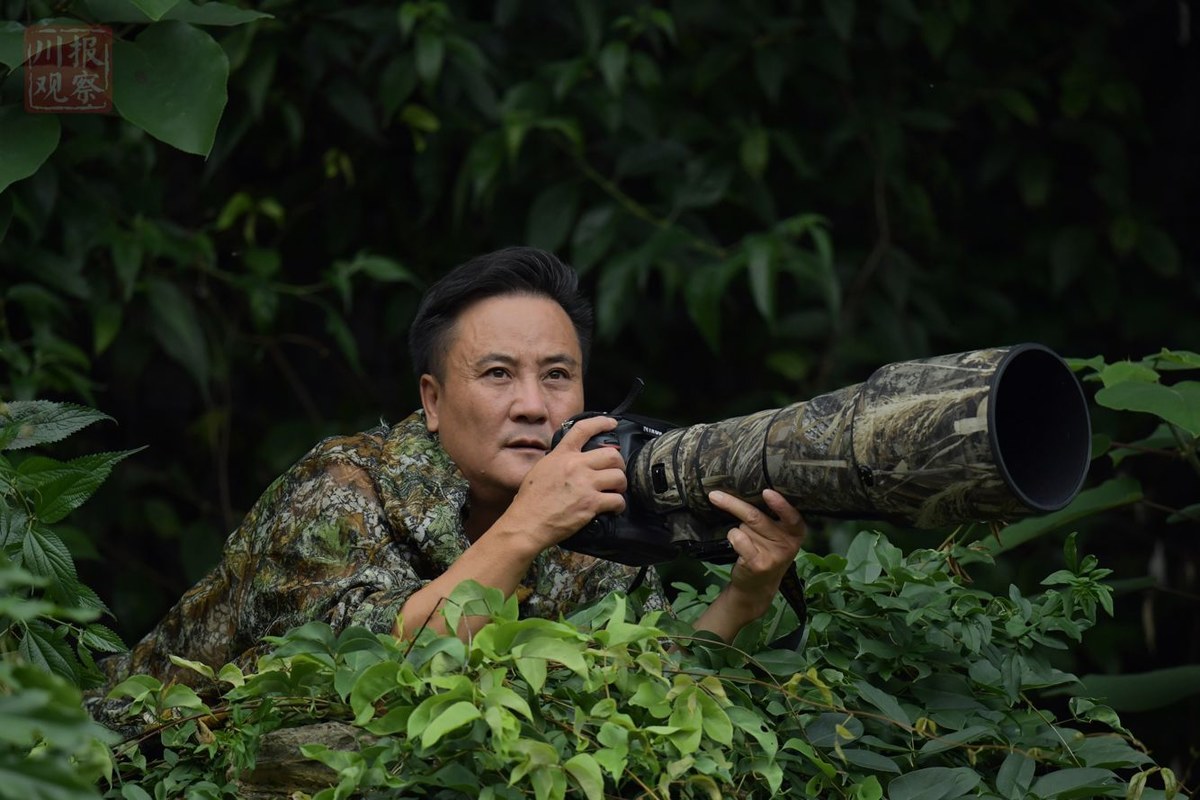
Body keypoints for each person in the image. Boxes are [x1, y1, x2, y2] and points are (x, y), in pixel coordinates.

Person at [92, 246, 805, 699]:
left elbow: (642, 687)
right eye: (497, 374)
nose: (533, 405)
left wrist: (746, 595)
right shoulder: (343, 488)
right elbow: (359, 674)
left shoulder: (593, 512)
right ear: (432, 401)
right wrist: (527, 528)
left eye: (558, 375)